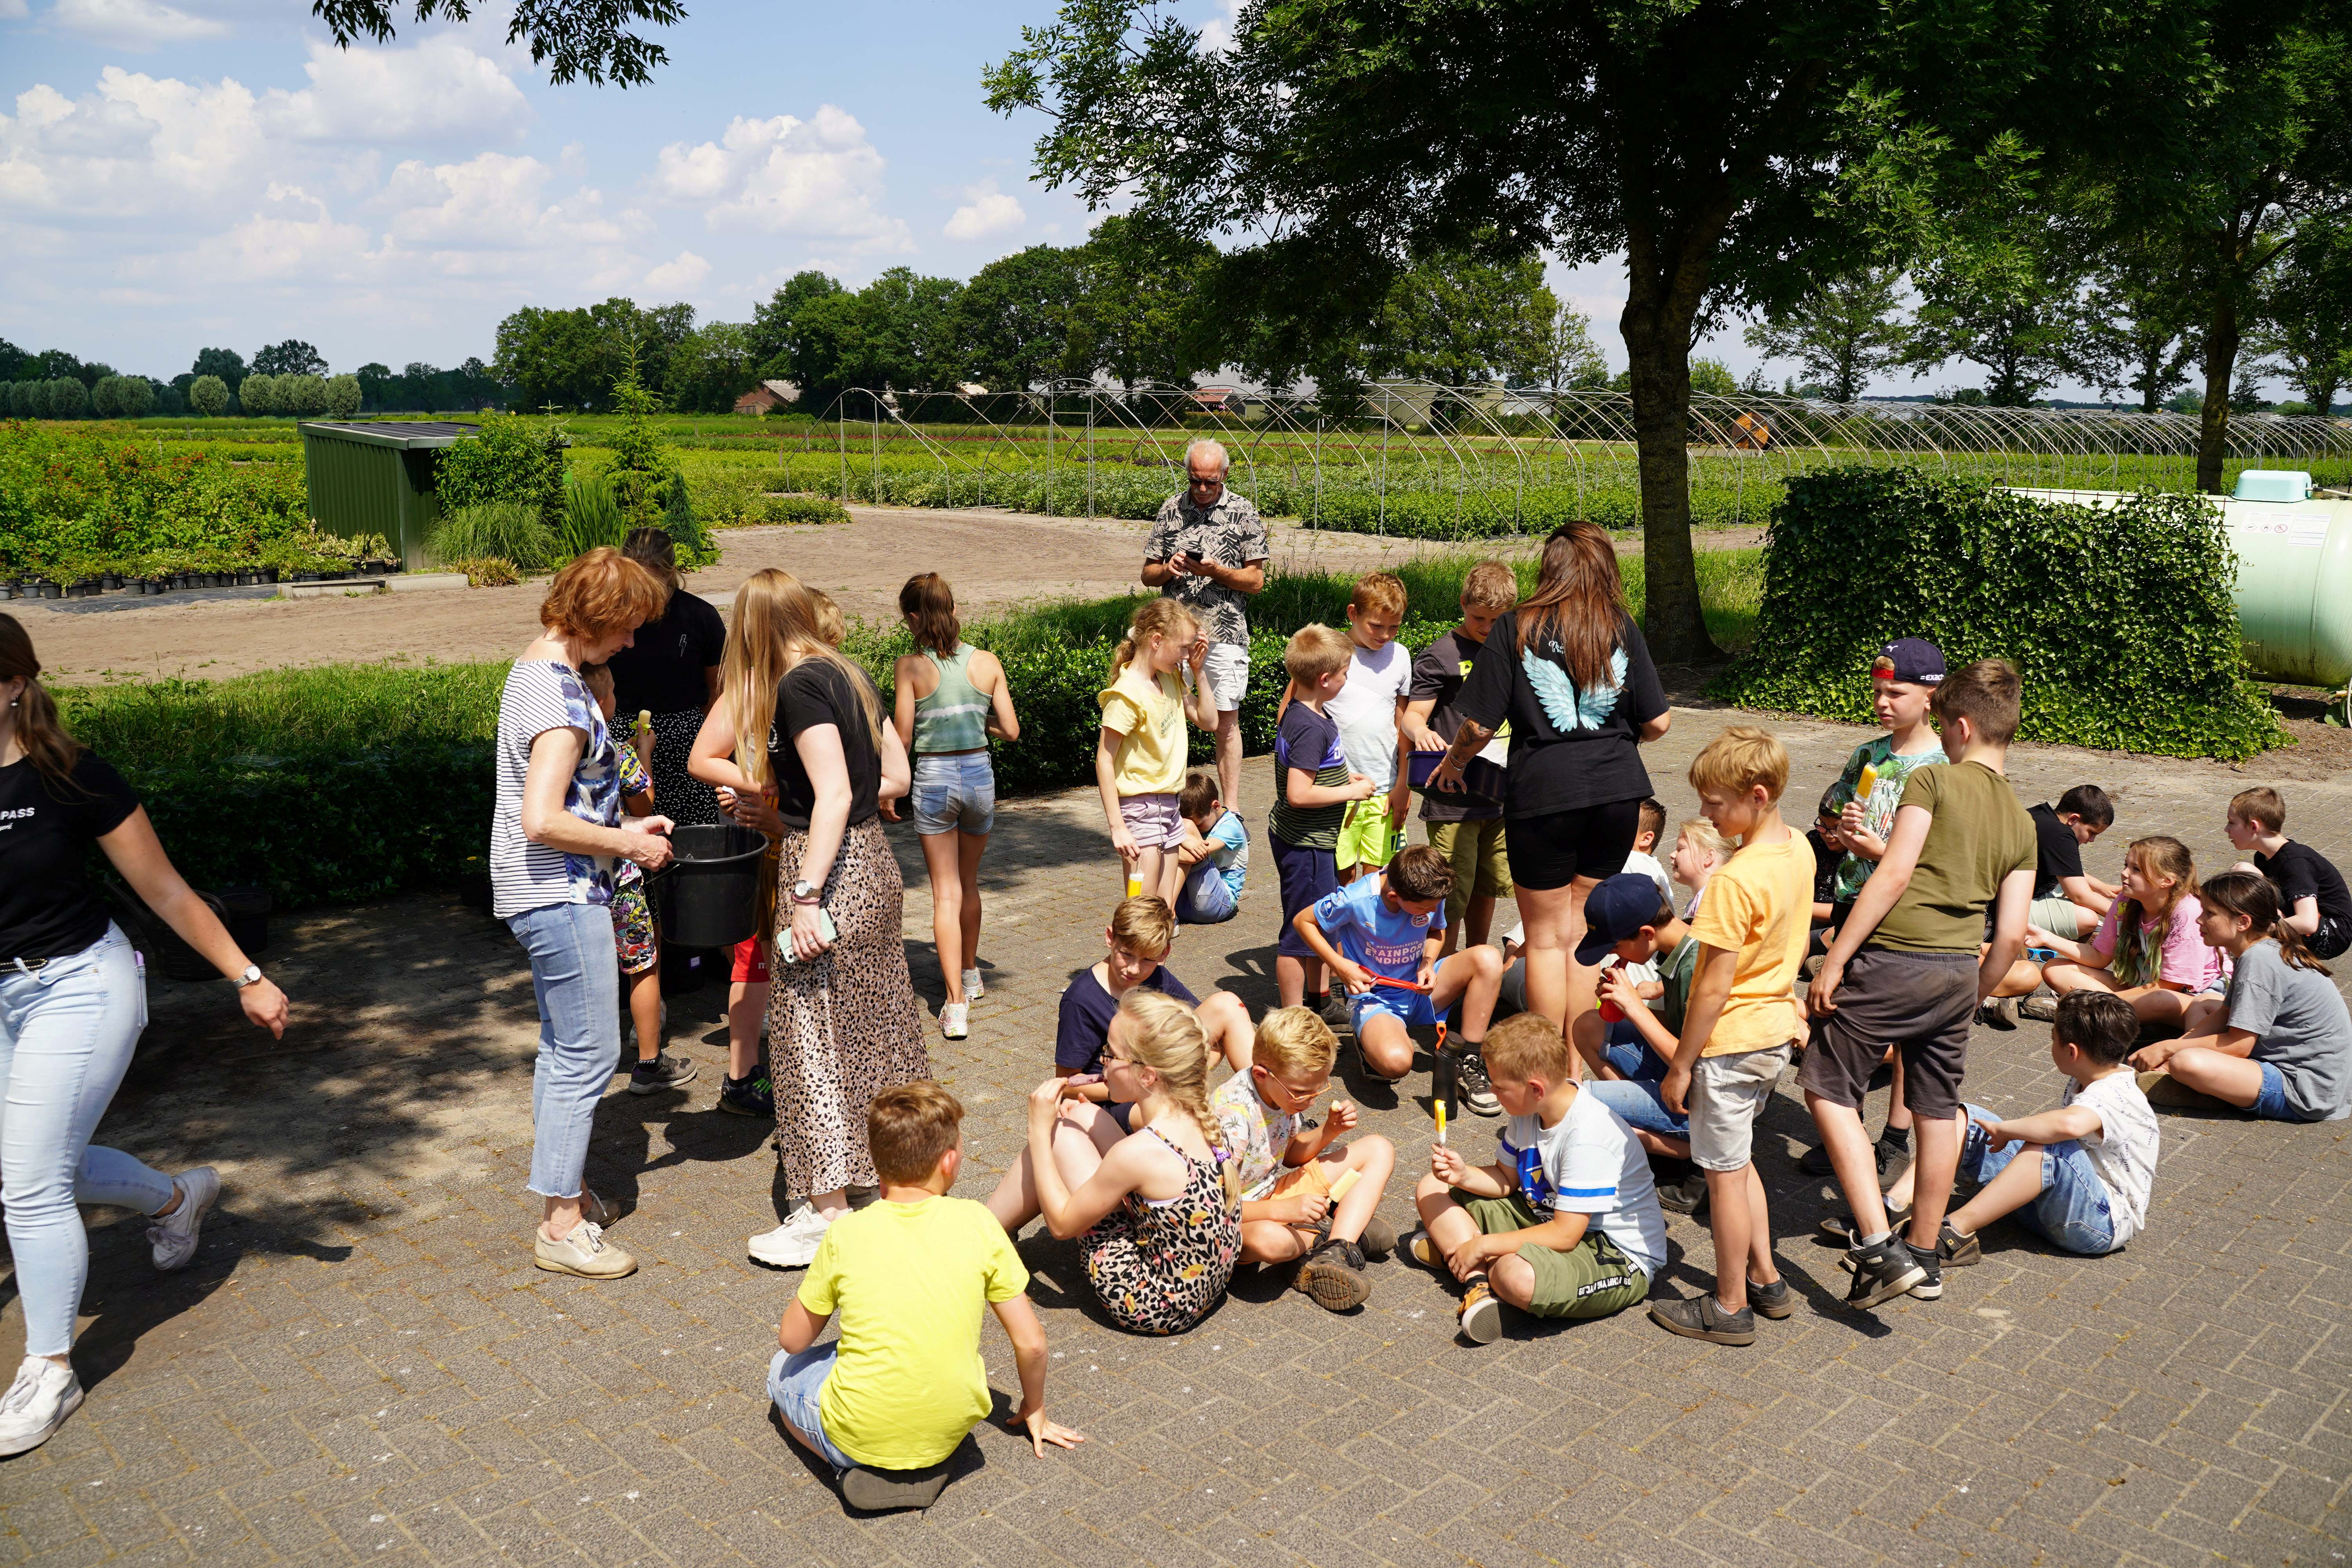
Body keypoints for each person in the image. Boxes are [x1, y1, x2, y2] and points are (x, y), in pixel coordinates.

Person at [0, 614, 291, 1455]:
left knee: (30, 1186)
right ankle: (174, 1198)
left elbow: (165, 890)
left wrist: (247, 976)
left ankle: (50, 1370)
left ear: (13, 684)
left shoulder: (73, 776)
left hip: (78, 986)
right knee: (31, 1165)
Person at [690, 568, 926, 1271]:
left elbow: (833, 796)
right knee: (876, 1030)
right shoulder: (848, 673)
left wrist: (804, 896)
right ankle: (894, 1179)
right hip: (873, 865)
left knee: (806, 1042)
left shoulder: (797, 686)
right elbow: (885, 781)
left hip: (830, 874)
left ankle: (826, 1213)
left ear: (754, 626)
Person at [1804, 659, 2037, 1312]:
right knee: (1938, 1111)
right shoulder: (2023, 822)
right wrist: (1978, 993)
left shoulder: (1933, 780)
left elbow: (1894, 874)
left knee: (1825, 1086)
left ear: (1958, 726)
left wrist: (1835, 959)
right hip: (1960, 971)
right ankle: (1927, 1255)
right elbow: (2011, 936)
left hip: (1896, 959)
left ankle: (1880, 1248)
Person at [768, 1081, 1081, 1513]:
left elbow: (792, 1340)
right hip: (949, 1428)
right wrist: (1035, 1407)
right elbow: (1032, 1343)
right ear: (949, 1162)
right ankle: (924, 1460)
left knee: (781, 1371)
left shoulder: (846, 1233)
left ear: (877, 1162)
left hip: (860, 1429)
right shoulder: (979, 1222)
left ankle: (847, 1464)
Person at [493, 548, 675, 1282]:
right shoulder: (562, 698)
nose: (631, 643)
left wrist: (627, 827)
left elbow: (565, 803)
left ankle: (565, 1196)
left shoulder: (539, 670)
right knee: (592, 1054)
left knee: (563, 1049)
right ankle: (561, 1227)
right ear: (596, 618)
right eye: (626, 627)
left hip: (552, 891)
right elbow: (542, 818)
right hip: (561, 893)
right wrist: (630, 842)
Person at [1430, 522, 1670, 1035]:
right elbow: (1659, 723)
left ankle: (1544, 1060)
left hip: (1543, 795)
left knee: (1544, 939)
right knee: (1584, 937)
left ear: (1549, 567)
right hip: (1617, 795)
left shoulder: (1515, 627)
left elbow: (1479, 726)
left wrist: (1454, 763)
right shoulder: (1621, 627)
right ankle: (1577, 1067)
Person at [1645, 727, 1813, 1345]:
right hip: (1772, 1034)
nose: (1706, 813)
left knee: (1721, 1178)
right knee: (1737, 1164)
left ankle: (1729, 1304)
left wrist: (1681, 1064)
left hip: (1729, 1043)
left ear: (1757, 795)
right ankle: (1766, 1278)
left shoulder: (1735, 881)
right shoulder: (1799, 848)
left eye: (1715, 803)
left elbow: (1712, 987)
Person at [987, 990, 1243, 1337]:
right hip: (1197, 1290)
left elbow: (1061, 1226)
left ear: (1148, 1075)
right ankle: (989, 1230)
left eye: (1110, 1054)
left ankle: (979, 1238)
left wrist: (1039, 1132)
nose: (1102, 1061)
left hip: (1152, 1303)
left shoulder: (1140, 1152)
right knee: (1084, 1114)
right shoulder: (1199, 1118)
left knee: (1060, 1138)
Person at [1408, 1013, 1666, 1345]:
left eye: (1499, 1087)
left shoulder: (1588, 1137)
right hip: (1547, 1216)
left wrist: (1483, 1245)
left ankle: (1473, 1261)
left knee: (1515, 1276)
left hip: (1612, 1254)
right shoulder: (1530, 1109)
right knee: (1433, 1187)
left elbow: (1566, 1235)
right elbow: (1507, 1180)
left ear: (1535, 1089)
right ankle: (1479, 1284)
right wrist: (1463, 1175)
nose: (1492, 1091)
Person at [1851, 991, 2156, 1261]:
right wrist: (2004, 1130)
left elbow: (2070, 1124)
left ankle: (1953, 1233)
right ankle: (1894, 1207)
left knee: (2053, 1147)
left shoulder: (2116, 1094)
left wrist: (2007, 1130)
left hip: (2098, 1225)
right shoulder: (2091, 1076)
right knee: (1967, 1119)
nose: (2051, 1044)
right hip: (2054, 1206)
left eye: (2053, 1039)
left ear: (2072, 1052)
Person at [1791, 639, 1946, 1170]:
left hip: (1905, 910)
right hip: (1851, 899)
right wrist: (1845, 829)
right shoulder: (1868, 755)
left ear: (1930, 696)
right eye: (1878, 691)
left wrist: (1879, 850)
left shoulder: (1945, 767)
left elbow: (1934, 856)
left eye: (1895, 693)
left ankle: (1895, 1140)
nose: (1882, 702)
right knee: (1842, 1019)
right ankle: (1847, 1130)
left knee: (1905, 1028)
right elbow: (1849, 809)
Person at [892, 573, 1021, 1041]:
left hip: (935, 779)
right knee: (969, 883)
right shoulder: (987, 661)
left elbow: (903, 737)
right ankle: (970, 972)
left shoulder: (910, 667)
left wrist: (888, 789)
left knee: (945, 893)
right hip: (979, 777)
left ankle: (955, 1005)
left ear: (913, 617)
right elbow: (1011, 730)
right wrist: (976, 722)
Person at [1208, 1007, 1399, 1311]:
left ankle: (1335, 1249)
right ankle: (1325, 1235)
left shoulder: (1281, 1093)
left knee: (1379, 1148)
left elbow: (1292, 1155)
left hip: (1272, 1194)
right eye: (1302, 1093)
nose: (1310, 1102)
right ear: (1261, 1075)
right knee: (1273, 1241)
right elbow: (1211, 1210)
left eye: (1317, 1090)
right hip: (1234, 1221)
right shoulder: (1231, 1120)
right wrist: (1282, 1209)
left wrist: (1329, 1130)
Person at [2131, 872, 2351, 1122]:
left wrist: (2169, 1049)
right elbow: (2224, 1014)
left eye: (2210, 913)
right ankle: (2208, 1086)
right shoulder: (2258, 949)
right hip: (2287, 1066)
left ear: (2243, 922)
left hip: (2303, 1088)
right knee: (2203, 1003)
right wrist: (2168, 1051)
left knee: (2186, 1062)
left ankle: (2210, 1088)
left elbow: (2239, 1046)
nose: (2200, 920)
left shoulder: (2260, 961)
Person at [1294, 844, 1504, 1100]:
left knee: (1488, 958)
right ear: (1394, 897)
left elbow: (1436, 931)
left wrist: (1428, 963)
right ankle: (1369, 1038)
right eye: (1424, 909)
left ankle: (1469, 1060)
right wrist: (1340, 965)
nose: (1432, 911)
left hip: (1419, 989)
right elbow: (1303, 921)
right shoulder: (1357, 899)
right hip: (1376, 999)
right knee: (1397, 1063)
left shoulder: (1429, 890)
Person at [578, 660, 693, 1095]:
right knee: (642, 966)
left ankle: (584, 1063)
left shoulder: (559, 749)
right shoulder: (616, 750)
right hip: (622, 880)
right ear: (604, 702)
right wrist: (643, 752)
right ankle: (648, 1064)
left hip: (575, 884)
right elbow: (645, 804)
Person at [1142, 437, 1267, 813]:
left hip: (1225, 632)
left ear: (1225, 474)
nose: (1201, 488)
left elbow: (1256, 581)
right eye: (1195, 479)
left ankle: (1232, 809)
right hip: (1172, 635)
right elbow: (1148, 574)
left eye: (1210, 481)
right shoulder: (1171, 509)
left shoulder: (1244, 511)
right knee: (1167, 715)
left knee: (1226, 721)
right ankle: (1168, 804)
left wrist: (1217, 571)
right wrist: (1168, 569)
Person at [1404, 561, 1519, 956]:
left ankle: (1476, 962)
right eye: (1478, 618)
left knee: (1487, 886)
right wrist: (1420, 731)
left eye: (1497, 620)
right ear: (1463, 604)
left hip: (1499, 793)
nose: (1487, 627)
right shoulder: (1442, 655)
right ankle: (1444, 969)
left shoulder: (1513, 648)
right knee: (1451, 895)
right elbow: (1413, 715)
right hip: (1453, 796)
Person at [1053, 896, 1254, 1122]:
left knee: (1228, 1004)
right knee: (1179, 1116)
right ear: (1110, 938)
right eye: (1127, 954)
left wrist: (1183, 1075)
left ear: (1164, 953)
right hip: (1116, 1098)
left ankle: (1265, 1100)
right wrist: (1136, 1088)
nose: (1134, 969)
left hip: (1158, 1079)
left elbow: (1206, 1035)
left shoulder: (1158, 977)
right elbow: (1066, 1082)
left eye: (1148, 959)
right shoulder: (1082, 999)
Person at [1268, 624, 1379, 1016]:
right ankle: (1293, 1018)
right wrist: (1350, 793)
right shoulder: (1310, 726)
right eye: (1345, 673)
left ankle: (1320, 1001)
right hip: (1307, 844)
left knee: (1321, 920)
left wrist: (1345, 777)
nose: (1348, 679)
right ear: (1326, 679)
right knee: (1300, 931)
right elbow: (1299, 793)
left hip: (1314, 841)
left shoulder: (1305, 710)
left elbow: (1313, 769)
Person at [1567, 874, 1698, 1170]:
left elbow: (1694, 1063)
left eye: (1615, 947)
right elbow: (1678, 1029)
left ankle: (1689, 1152)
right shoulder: (1681, 946)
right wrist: (1627, 1007)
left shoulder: (1695, 969)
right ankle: (1640, 1116)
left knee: (1575, 1103)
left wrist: (1635, 1008)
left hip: (1705, 1102)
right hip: (1684, 1073)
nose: (1611, 954)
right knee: (1588, 1026)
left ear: (1646, 933)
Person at [2034, 836, 2223, 1031]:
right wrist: (2046, 938)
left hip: (2189, 1000)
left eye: (2136, 870)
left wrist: (2106, 1000)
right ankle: (2105, 1014)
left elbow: (2170, 986)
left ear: (2167, 880)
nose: (2124, 873)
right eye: (2126, 865)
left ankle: (2096, 1013)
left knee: (2160, 1000)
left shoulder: (2188, 913)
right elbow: (2099, 957)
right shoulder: (2126, 901)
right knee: (2056, 969)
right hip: (2140, 988)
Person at [1096, 598, 1217, 900]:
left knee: (1163, 908)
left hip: (1170, 807)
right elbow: (1104, 759)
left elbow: (1209, 721)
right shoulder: (1126, 695)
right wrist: (1118, 827)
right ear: (1156, 640)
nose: (1187, 655)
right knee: (1142, 907)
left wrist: (1199, 671)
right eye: (1184, 648)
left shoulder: (1169, 678)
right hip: (1140, 811)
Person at [607, 527, 726, 828]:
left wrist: (710, 746)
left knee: (691, 836)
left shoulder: (700, 616)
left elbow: (717, 690)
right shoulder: (610, 615)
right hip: (622, 737)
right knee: (627, 832)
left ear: (670, 572)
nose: (644, 592)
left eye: (651, 582)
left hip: (686, 743)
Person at [1323, 571, 1414, 883]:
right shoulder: (1329, 651)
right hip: (1338, 788)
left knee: (1381, 877)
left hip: (1385, 788)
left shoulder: (1401, 656)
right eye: (1376, 625)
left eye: (1394, 627)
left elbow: (1403, 725)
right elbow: (1293, 715)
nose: (1385, 635)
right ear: (1353, 613)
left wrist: (1403, 785)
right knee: (1341, 876)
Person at [2227, 787, 2352, 960]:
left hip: (2330, 934)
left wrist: (2258, 931)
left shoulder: (2295, 861)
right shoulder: (2263, 857)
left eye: (2232, 823)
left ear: (2254, 826)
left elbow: (2308, 923)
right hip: (2307, 926)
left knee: (2243, 872)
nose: (2226, 829)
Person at [1163, 768, 1248, 926]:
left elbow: (1196, 855)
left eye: (1200, 824)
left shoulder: (1232, 826)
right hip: (1186, 902)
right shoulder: (1204, 819)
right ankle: (1167, 909)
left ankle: (1167, 912)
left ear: (1215, 806)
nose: (1198, 829)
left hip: (1217, 903)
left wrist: (1160, 850)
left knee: (1185, 828)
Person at [1670, 817, 1729, 921]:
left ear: (1708, 857)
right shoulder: (1705, 899)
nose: (1672, 855)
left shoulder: (1711, 903)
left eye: (1680, 849)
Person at [1805, 788, 1845, 929]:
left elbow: (1845, 913)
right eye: (1822, 825)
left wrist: (1795, 907)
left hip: (1836, 926)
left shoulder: (1859, 857)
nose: (1828, 835)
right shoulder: (1814, 840)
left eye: (1836, 828)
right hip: (1805, 915)